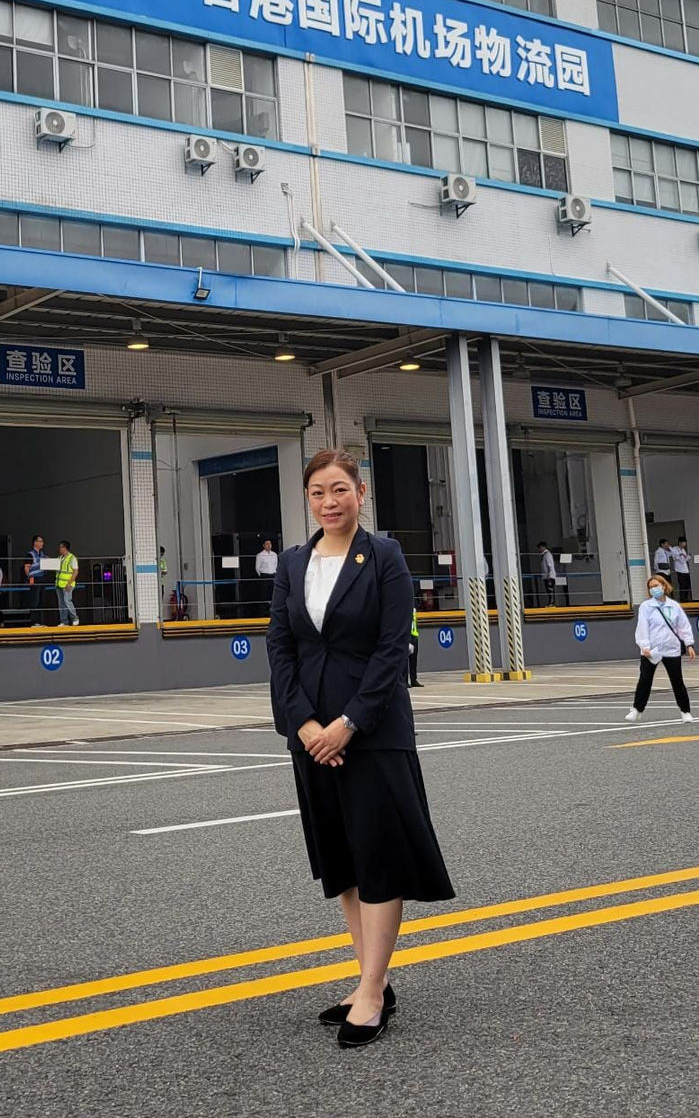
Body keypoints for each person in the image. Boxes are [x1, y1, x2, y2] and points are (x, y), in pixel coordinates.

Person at [266, 448, 454, 1050]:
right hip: (312, 735)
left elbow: (393, 647)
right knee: (342, 857)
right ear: (308, 498)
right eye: (319, 492)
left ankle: (373, 991)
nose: (330, 501)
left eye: (340, 490)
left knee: (378, 855)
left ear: (360, 492)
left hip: (371, 732)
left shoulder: (386, 557)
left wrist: (348, 724)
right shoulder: (293, 563)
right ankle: (368, 976)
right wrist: (304, 726)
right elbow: (281, 649)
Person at [626, 575, 695, 722]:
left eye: (656, 585)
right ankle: (637, 709)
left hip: (671, 648)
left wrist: (689, 644)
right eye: (650, 587)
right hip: (652, 650)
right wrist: (644, 645)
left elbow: (683, 626)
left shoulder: (674, 606)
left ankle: (685, 711)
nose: (653, 589)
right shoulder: (646, 606)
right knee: (645, 680)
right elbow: (642, 627)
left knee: (677, 680)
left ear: (664, 586)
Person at [25, 534, 50, 626]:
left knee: (41, 600)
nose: (42, 543)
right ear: (35, 542)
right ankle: (34, 621)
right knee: (34, 600)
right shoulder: (30, 554)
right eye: (40, 541)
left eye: (42, 541)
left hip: (42, 578)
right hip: (34, 579)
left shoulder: (43, 555)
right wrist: (29, 578)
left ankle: (40, 621)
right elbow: (26, 567)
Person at [56, 540, 79, 626]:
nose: (59, 549)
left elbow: (75, 571)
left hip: (68, 584)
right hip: (59, 584)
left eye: (61, 547)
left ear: (65, 548)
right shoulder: (59, 558)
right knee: (61, 603)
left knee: (67, 601)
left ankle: (75, 618)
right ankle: (64, 621)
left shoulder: (72, 558)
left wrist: (69, 583)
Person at [255, 538, 279, 615]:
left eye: (270, 544)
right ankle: (263, 610)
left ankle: (273, 609)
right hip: (264, 575)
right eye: (267, 544)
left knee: (273, 593)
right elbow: (257, 568)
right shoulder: (260, 555)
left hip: (273, 575)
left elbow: (276, 565)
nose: (269, 545)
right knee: (264, 593)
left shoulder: (274, 554)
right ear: (263, 545)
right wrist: (262, 575)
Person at [670, 537, 692, 603]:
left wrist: (688, 556)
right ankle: (682, 599)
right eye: (683, 543)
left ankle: (686, 598)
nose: (685, 544)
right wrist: (681, 555)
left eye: (685, 543)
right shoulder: (674, 549)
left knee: (687, 585)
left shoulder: (683, 550)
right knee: (682, 585)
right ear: (679, 542)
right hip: (679, 570)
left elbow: (685, 559)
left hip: (686, 570)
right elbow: (675, 557)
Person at [538, 542, 557, 607]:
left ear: (543, 547)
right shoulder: (544, 555)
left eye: (540, 548)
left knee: (550, 589)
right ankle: (550, 602)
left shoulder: (547, 555)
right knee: (548, 590)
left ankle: (551, 603)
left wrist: (549, 575)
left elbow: (550, 565)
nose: (539, 550)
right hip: (547, 576)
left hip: (549, 576)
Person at [408, 609, 423, 687]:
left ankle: (414, 679)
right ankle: (404, 681)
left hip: (414, 635)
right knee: (404, 661)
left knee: (414, 660)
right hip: (407, 635)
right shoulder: (405, 606)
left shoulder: (414, 608)